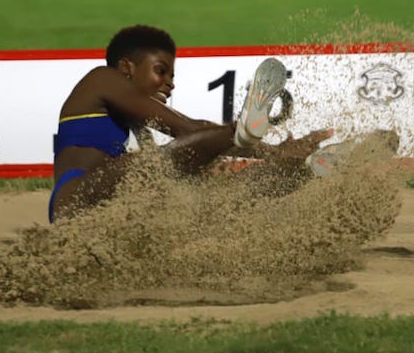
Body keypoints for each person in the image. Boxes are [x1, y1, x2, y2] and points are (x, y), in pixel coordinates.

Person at [49, 24, 332, 224]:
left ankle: (299, 171)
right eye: (161, 71)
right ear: (126, 68)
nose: (169, 83)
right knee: (155, 166)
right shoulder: (101, 78)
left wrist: (276, 157)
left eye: (172, 76)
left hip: (99, 221)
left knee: (211, 191)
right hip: (76, 197)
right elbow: (187, 129)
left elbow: (189, 146)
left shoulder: (138, 129)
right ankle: (242, 133)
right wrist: (250, 141)